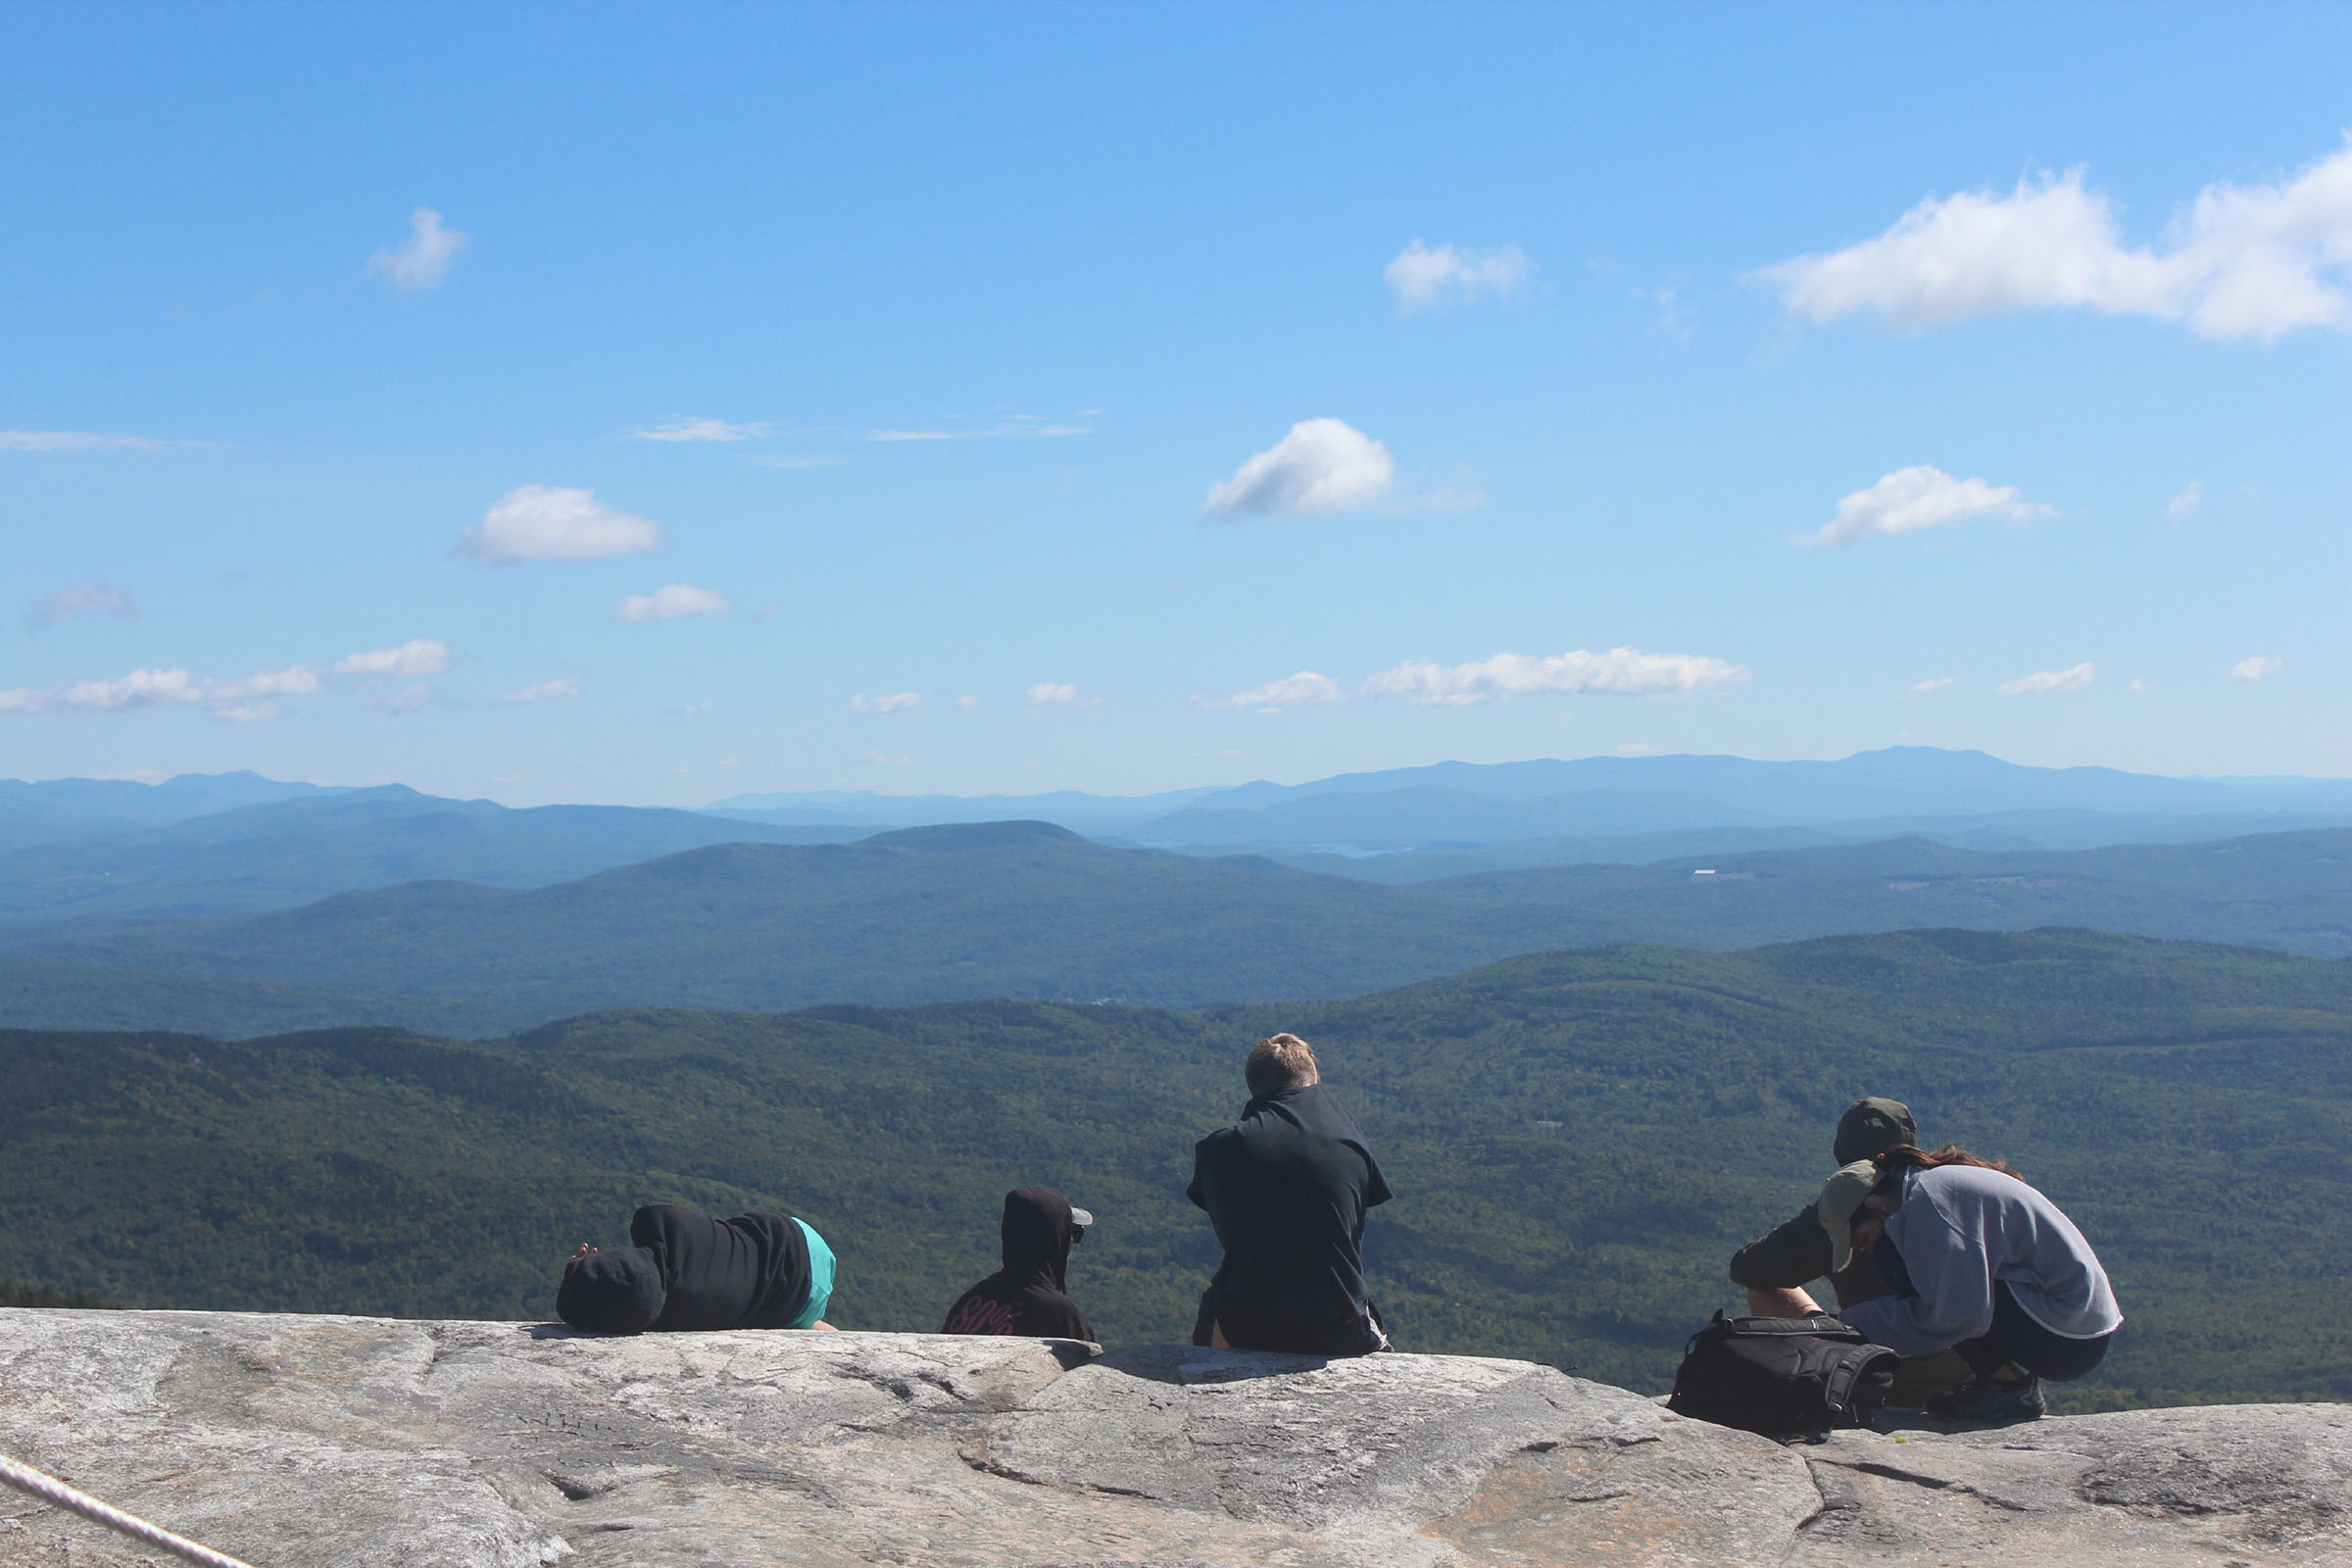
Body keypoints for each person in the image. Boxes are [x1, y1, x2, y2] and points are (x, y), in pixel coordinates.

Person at [1821, 1146, 2123, 1423]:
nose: (1867, 1250)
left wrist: (1850, 1328)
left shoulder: (1929, 1205)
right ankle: (2004, 1382)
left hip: (2069, 1335)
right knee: (1935, 1281)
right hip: (2078, 1320)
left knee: (1931, 1286)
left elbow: (1955, 1314)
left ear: (1875, 1204)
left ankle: (2009, 1388)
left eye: (1862, 1240)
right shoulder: (1929, 1187)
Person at [1729, 1097, 1971, 1404]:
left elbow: (1747, 1268)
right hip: (1972, 1376)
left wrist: (1816, 1222)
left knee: (1762, 1289)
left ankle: (1820, 1383)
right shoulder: (1956, 1192)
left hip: (1882, 1378)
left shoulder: (1842, 1214)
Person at [1187, 1032, 1393, 1355]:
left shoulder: (1218, 1150)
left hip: (1246, 1326)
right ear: (1313, 1082)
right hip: (1340, 1327)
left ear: (1253, 1085)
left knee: (1217, 1301)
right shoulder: (1350, 1145)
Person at [557, 1202, 837, 1334]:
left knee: (758, 1302)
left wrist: (587, 1296)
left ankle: (818, 1329)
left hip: (799, 1302)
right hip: (795, 1238)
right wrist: (588, 1269)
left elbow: (628, 1303)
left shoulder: (670, 1321)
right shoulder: (658, 1218)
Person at [941, 1187, 1096, 1340]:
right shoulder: (1062, 1316)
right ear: (1054, 1240)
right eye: (1073, 1232)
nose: (1072, 1240)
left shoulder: (972, 1298)